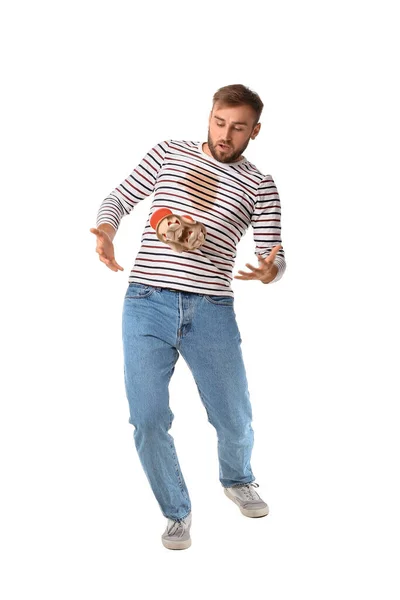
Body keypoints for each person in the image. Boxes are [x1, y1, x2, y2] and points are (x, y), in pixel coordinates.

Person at [90, 83, 286, 550]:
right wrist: (105, 231)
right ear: (210, 117)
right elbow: (117, 198)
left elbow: (275, 254)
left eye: (238, 128)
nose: (226, 134)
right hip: (146, 302)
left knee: (234, 418)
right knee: (148, 418)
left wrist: (268, 271)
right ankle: (176, 511)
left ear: (254, 131)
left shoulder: (260, 183)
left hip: (212, 310)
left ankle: (237, 478)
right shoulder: (168, 152)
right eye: (220, 122)